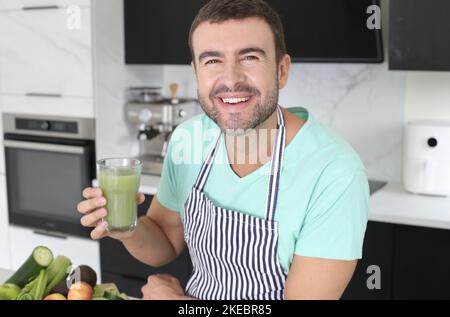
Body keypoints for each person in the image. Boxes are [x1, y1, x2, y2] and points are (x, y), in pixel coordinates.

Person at [77, 0, 369, 300]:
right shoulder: (187, 139)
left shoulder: (334, 172)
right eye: (212, 61)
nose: (231, 79)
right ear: (196, 72)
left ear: (281, 70)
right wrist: (129, 228)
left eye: (250, 57)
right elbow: (164, 240)